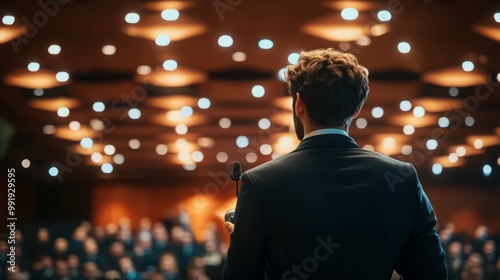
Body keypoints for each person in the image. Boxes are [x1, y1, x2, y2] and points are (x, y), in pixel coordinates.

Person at [223, 48, 447, 279]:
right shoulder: (402, 177)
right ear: (357, 109)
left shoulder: (259, 182)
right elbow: (433, 273)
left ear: (299, 103)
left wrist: (246, 242)